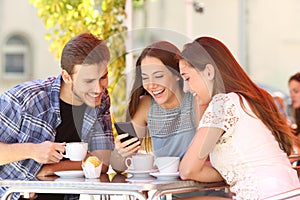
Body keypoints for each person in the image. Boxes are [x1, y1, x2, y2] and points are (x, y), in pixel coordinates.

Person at [0, 33, 119, 200]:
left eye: (103, 77)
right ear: (66, 76)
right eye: (88, 81)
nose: (98, 89)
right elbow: (93, 162)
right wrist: (32, 150)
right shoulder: (24, 100)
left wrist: (51, 169)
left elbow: (101, 163)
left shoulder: (100, 100)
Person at [178, 36, 300, 199]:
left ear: (209, 71)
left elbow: (188, 169)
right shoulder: (250, 98)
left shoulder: (222, 104)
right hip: (289, 193)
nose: (186, 88)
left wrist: (227, 173)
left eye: (187, 78)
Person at [110, 41, 229, 198]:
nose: (151, 85)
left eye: (159, 76)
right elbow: (119, 167)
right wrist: (120, 153)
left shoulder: (197, 100)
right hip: (170, 195)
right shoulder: (146, 106)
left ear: (177, 74)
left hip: (207, 194)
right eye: (145, 78)